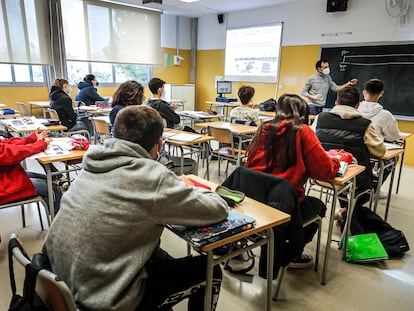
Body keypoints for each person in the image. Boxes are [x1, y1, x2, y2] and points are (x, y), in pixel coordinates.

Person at [42, 105, 229, 311]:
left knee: (158, 254)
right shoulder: (153, 176)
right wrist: (195, 190)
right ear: (159, 144)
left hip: (60, 281)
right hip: (105, 299)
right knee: (209, 270)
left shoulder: (92, 164)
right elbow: (216, 209)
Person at [246, 94, 341, 268]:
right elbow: (325, 171)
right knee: (318, 206)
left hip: (254, 203)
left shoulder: (263, 128)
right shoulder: (303, 131)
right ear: (303, 114)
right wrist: (335, 159)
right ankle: (292, 253)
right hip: (284, 208)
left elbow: (249, 163)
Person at [312, 86, 385, 219]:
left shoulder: (320, 118)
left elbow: (311, 141)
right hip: (355, 178)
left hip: (322, 173)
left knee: (345, 184)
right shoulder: (365, 124)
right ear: (357, 105)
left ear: (336, 103)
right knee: (372, 183)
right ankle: (349, 211)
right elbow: (380, 151)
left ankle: (346, 209)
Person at [0, 129, 62, 214]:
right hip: (4, 187)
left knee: (49, 179)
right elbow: (12, 152)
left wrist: (30, 139)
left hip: (5, 176)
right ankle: (58, 223)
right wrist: (40, 144)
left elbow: (6, 144)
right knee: (53, 187)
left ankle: (52, 215)